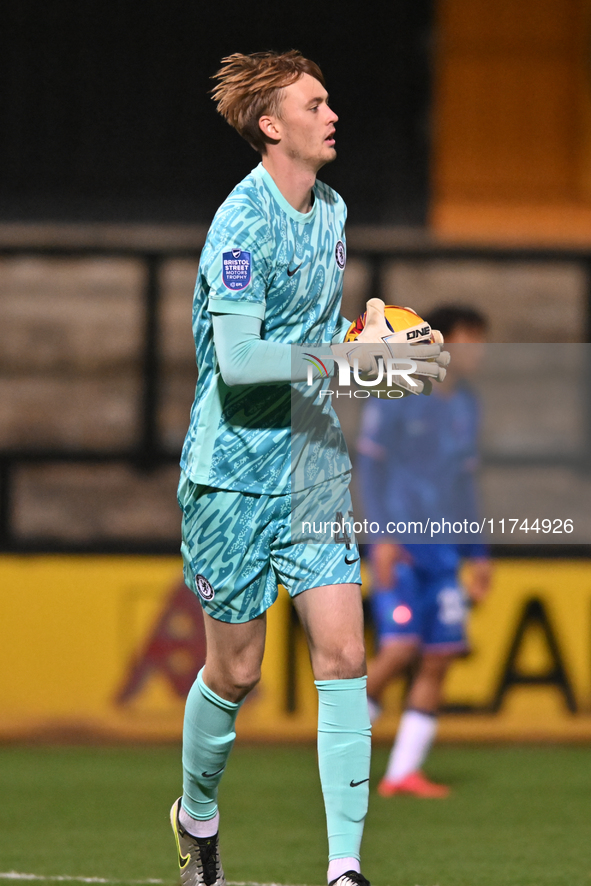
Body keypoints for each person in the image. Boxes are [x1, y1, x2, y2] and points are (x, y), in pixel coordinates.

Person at [170, 51, 447, 886]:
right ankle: (196, 813)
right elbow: (243, 360)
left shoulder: (331, 210)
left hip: (313, 465)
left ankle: (344, 867)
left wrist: (378, 348)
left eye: (329, 100)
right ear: (271, 125)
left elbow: (323, 341)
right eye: (314, 103)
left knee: (343, 655)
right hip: (229, 472)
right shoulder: (240, 224)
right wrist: (342, 358)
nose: (332, 115)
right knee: (237, 670)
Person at [357, 305, 492, 798]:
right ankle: (340, 733)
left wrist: (478, 554)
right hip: (402, 544)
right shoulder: (399, 393)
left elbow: (464, 486)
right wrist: (383, 536)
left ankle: (402, 774)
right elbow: (370, 469)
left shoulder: (467, 404)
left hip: (444, 552)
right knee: (399, 649)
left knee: (439, 656)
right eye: (470, 338)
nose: (477, 350)